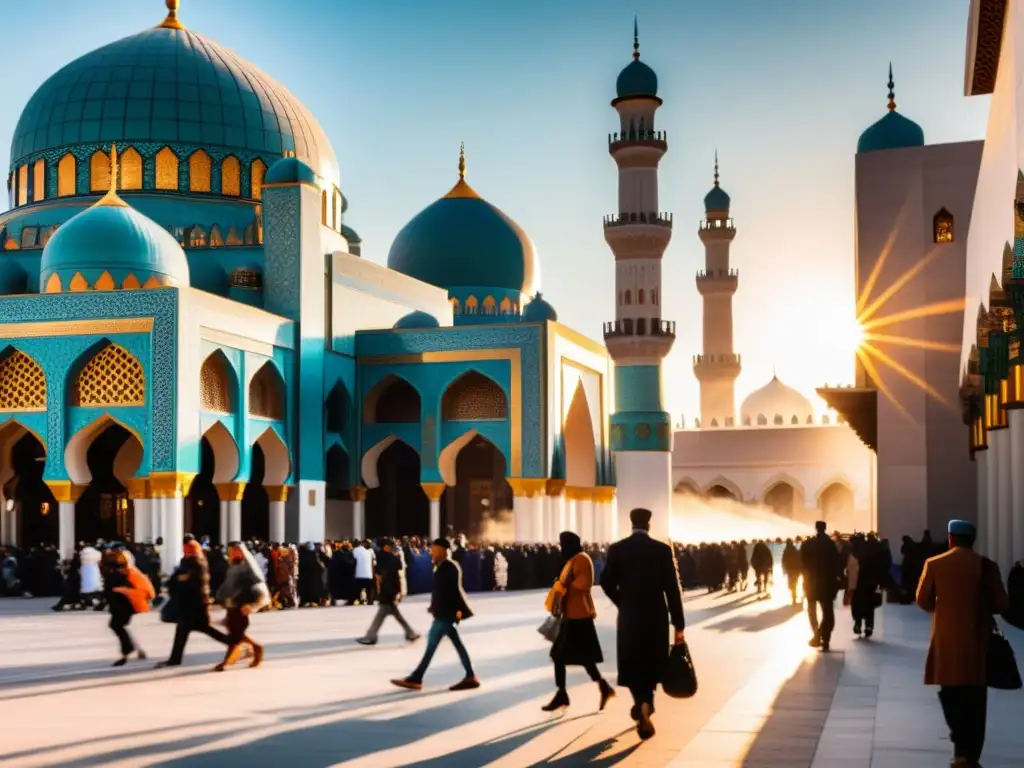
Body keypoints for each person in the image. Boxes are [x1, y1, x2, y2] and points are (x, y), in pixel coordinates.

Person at [916, 519, 1008, 767]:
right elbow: (1001, 604)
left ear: (950, 538)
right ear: (973, 540)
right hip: (977, 642)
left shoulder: (934, 564)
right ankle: (969, 754)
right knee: (976, 701)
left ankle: (958, 744)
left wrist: (945, 608)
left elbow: (922, 600)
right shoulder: (986, 566)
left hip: (946, 640)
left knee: (950, 693)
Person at [600, 508, 685, 740]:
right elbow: (672, 590)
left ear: (631, 524)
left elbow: (605, 581)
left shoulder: (618, 549)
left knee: (633, 661)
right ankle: (647, 704)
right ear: (649, 525)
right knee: (651, 662)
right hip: (656, 617)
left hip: (630, 617)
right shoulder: (662, 550)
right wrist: (679, 624)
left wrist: (621, 602)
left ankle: (640, 703)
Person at [391, 538, 479, 692]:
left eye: (435, 550)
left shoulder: (449, 567)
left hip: (445, 615)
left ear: (443, 550)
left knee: (431, 646)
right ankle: (470, 676)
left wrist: (459, 614)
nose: (432, 552)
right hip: (444, 613)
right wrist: (434, 606)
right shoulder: (443, 566)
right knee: (457, 645)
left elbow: (454, 593)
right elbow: (441, 592)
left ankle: (416, 678)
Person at [541, 531, 615, 712]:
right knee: (575, 657)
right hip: (571, 615)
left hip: (579, 616)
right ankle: (598, 688)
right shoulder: (572, 559)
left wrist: (563, 585)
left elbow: (585, 583)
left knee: (565, 656)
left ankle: (564, 694)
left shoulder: (582, 559)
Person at [156, 540, 232, 668]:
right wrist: (177, 580)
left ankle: (236, 644)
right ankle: (175, 659)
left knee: (198, 630)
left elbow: (188, 583)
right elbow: (176, 580)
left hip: (193, 605)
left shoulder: (195, 564)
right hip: (192, 605)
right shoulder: (195, 562)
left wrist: (177, 580)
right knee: (187, 631)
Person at [214, 542, 270, 672]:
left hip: (241, 607)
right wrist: (220, 598)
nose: (231, 553)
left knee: (235, 636)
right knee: (236, 634)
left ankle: (229, 660)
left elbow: (257, 586)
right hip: (232, 606)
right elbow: (228, 586)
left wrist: (254, 604)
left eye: (234, 550)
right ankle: (253, 649)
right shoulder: (233, 566)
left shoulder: (246, 568)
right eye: (231, 550)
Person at [358, 538, 419, 645]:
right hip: (392, 590)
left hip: (387, 591)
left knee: (382, 614)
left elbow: (378, 575)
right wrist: (400, 591)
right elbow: (399, 574)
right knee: (394, 614)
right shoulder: (394, 558)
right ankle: (410, 632)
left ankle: (371, 636)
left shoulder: (383, 557)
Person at [108, 550, 155, 666]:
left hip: (125, 605)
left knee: (117, 625)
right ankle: (138, 650)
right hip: (122, 605)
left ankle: (127, 651)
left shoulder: (131, 574)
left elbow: (140, 591)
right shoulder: (130, 572)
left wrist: (122, 590)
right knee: (121, 626)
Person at [801, 521, 842, 651]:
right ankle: (824, 638)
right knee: (828, 613)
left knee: (811, 611)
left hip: (811, 584)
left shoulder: (807, 544)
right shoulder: (831, 545)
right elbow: (837, 564)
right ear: (825, 528)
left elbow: (803, 564)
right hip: (827, 585)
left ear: (816, 528)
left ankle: (816, 634)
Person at [351, 540, 376, 605]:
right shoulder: (369, 551)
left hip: (359, 574)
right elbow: (372, 563)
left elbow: (353, 560)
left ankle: (357, 600)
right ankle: (370, 601)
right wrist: (373, 573)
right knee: (369, 588)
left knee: (357, 589)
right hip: (368, 574)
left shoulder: (355, 550)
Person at [782, 539, 801, 605]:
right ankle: (794, 597)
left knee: (791, 584)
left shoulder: (786, 551)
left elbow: (783, 561)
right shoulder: (795, 550)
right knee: (795, 583)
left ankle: (794, 597)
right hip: (796, 570)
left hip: (790, 570)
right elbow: (799, 559)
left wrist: (784, 570)